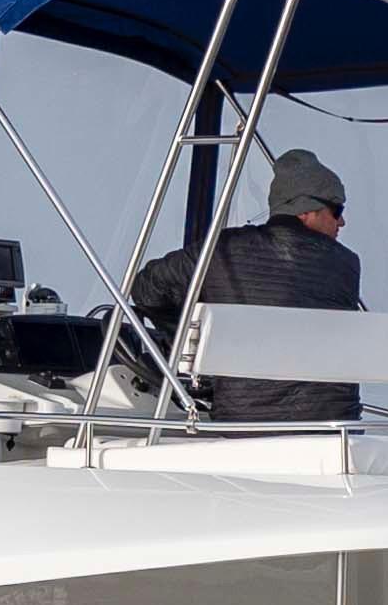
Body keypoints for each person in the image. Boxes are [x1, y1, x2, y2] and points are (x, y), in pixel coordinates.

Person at [126, 148, 365, 424]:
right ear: (305, 209)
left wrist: (191, 333)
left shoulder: (224, 249)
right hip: (331, 428)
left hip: (242, 424)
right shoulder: (347, 264)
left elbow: (145, 289)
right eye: (337, 210)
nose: (343, 221)